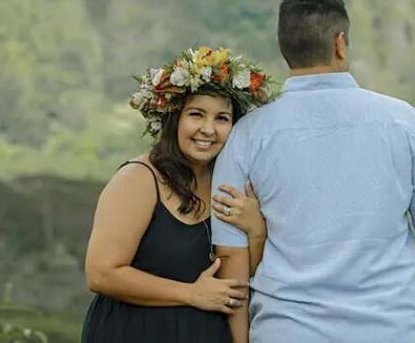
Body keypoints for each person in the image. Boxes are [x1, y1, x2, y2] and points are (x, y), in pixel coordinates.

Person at [211, 0, 415, 343]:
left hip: (285, 330)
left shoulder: (247, 136)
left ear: (284, 48)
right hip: (388, 330)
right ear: (340, 43)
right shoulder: (403, 122)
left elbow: (229, 253)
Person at [81, 46, 272, 343]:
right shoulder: (139, 179)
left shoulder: (230, 186)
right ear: (174, 118)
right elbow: (101, 273)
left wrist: (257, 232)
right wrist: (190, 294)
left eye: (222, 118)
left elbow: (242, 286)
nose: (208, 129)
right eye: (196, 115)